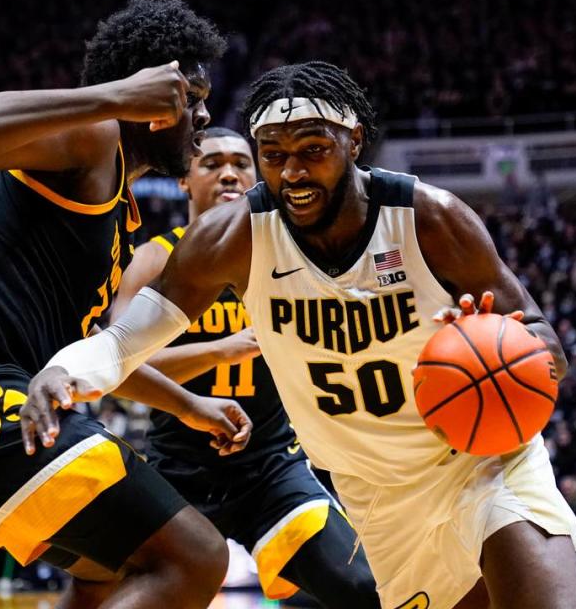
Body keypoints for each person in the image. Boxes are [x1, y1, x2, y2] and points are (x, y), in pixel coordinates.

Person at [23, 61, 576, 609]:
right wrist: (64, 370)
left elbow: (546, 344)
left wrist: (500, 343)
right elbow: (125, 342)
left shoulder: (429, 218)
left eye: (313, 151)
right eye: (274, 156)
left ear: (354, 140)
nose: (292, 172)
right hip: (378, 496)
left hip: (481, 460)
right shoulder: (232, 237)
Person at [0, 0, 254, 609]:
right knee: (197, 556)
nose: (201, 117)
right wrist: (112, 97)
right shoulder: (93, 140)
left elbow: (97, 357)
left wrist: (188, 403)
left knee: (108, 569)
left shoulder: (118, 210)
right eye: (189, 98)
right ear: (147, 97)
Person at [58, 127, 378, 606]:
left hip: (271, 467)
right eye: (211, 164)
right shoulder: (152, 259)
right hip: (176, 469)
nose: (229, 173)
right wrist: (223, 349)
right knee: (98, 589)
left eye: (241, 163)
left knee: (360, 587)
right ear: (184, 181)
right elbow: (117, 368)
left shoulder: (293, 257)